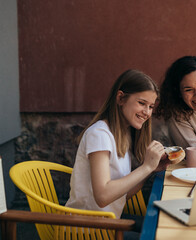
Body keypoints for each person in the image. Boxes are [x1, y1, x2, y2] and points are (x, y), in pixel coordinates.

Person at [66, 69, 169, 239]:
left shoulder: (121, 134)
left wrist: (151, 170)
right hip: (86, 231)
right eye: (142, 103)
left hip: (107, 223)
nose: (147, 112)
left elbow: (122, 194)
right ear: (121, 98)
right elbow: (103, 196)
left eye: (151, 106)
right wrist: (146, 167)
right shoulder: (99, 134)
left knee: (162, 227)